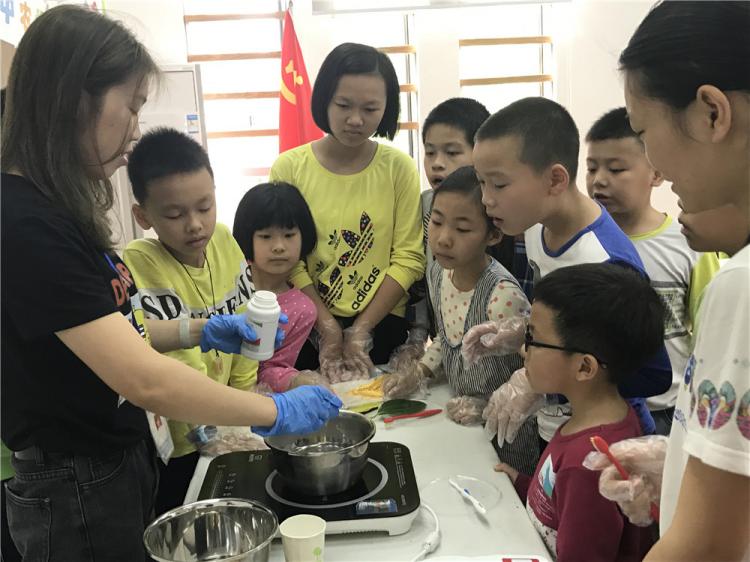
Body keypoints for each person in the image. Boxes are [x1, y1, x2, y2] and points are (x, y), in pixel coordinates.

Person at [0, 6, 340, 560]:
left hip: (113, 459)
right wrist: (275, 413)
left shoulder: (51, 211)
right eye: (131, 105)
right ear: (75, 99)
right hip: (76, 479)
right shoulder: (26, 225)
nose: (136, 128)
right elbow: (143, 380)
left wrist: (198, 330)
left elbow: (114, 334)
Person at [583, 2, 750, 560]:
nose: (654, 160)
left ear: (711, 113)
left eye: (643, 131)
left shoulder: (740, 285)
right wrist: (683, 458)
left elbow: (706, 548)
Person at [466, 97, 672, 450]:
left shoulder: (606, 260)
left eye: (498, 184)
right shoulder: (535, 226)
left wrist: (539, 381)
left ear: (555, 180)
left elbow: (651, 373)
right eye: (481, 182)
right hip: (559, 426)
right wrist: (525, 333)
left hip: (605, 439)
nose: (486, 199)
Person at [122, 128, 262, 514]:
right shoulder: (140, 262)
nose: (195, 224)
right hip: (182, 435)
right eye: (175, 214)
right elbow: (173, 359)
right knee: (188, 513)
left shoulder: (224, 240)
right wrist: (213, 427)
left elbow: (245, 320)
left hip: (231, 414)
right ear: (143, 215)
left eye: (205, 206)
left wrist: (244, 398)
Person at [269, 42, 425, 382]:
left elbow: (409, 257)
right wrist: (326, 325)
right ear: (324, 100)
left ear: (387, 108)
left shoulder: (398, 168)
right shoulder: (289, 168)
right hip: (306, 323)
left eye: (370, 108)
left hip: (383, 322)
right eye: (343, 105)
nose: (356, 120)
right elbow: (285, 258)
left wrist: (361, 329)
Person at [495, 262, 665, 562]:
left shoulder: (586, 465)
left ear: (585, 367)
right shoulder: (601, 421)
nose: (524, 349)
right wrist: (521, 484)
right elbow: (562, 503)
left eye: (533, 338)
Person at [384, 166, 538, 474]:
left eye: (463, 229)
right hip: (461, 420)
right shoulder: (438, 273)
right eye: (437, 222)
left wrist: (487, 405)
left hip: (508, 435)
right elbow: (448, 335)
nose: (443, 239)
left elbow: (533, 372)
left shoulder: (502, 296)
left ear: (493, 234)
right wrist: (421, 370)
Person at [585, 106, 721, 435]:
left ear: (656, 174)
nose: (599, 179)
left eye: (616, 169)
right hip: (601, 408)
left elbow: (710, 333)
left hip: (668, 410)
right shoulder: (583, 243)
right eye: (591, 168)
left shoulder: (689, 244)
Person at [421, 97, 531, 295]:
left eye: (452, 152)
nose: (436, 163)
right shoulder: (424, 204)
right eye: (430, 152)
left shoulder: (511, 218)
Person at [233, 182, 329, 392]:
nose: (279, 246)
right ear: (247, 237)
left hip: (250, 399)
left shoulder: (303, 310)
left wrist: (296, 380)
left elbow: (271, 368)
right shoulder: (230, 280)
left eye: (289, 235)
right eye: (266, 236)